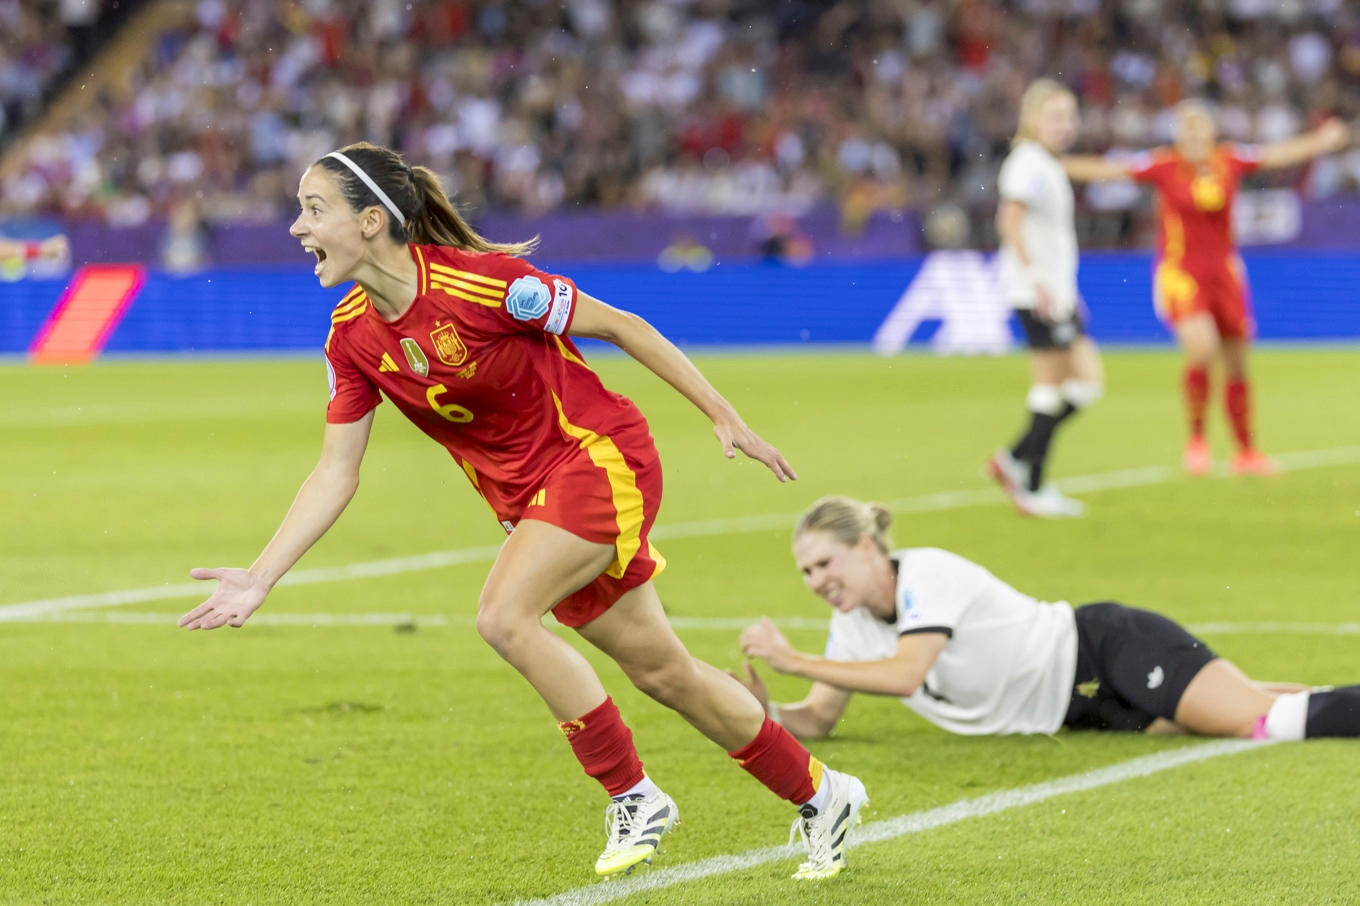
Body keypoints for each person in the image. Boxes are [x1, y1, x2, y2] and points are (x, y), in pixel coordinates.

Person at [176, 142, 868, 881]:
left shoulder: (487, 286)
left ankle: (633, 794)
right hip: (528, 504)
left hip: (599, 457)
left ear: (372, 220)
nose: (296, 227)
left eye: (313, 210)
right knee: (665, 673)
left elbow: (622, 326)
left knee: (503, 616)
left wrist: (724, 416)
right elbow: (335, 471)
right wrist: (260, 576)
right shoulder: (350, 336)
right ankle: (823, 796)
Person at [735, 495, 1360, 743]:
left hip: (1105, 649)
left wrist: (791, 659)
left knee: (1263, 721)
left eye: (825, 564)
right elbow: (818, 717)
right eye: (806, 574)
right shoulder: (852, 627)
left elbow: (904, 674)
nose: (818, 583)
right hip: (1085, 710)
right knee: (1254, 707)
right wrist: (765, 710)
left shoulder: (927, 574)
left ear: (868, 547)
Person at [1063, 102, 1349, 476]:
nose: (1194, 134)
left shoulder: (1228, 160)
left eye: (1200, 127)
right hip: (1182, 271)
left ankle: (1245, 451)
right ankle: (1197, 441)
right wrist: (1056, 162)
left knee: (1237, 364)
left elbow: (1277, 155)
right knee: (1202, 349)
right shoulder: (1164, 165)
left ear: (1212, 131)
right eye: (1187, 127)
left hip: (1224, 273)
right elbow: (1109, 170)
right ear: (1178, 133)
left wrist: (1322, 141)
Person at [988, 80, 1104, 519]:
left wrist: (1067, 293)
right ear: (1033, 118)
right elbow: (1009, 220)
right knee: (1056, 387)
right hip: (1036, 293)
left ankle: (1015, 459)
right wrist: (1037, 279)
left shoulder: (1045, 164)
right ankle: (1031, 483)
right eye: (1055, 116)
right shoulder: (1028, 164)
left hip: (1054, 293)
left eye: (1070, 116)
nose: (1065, 125)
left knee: (1082, 385)